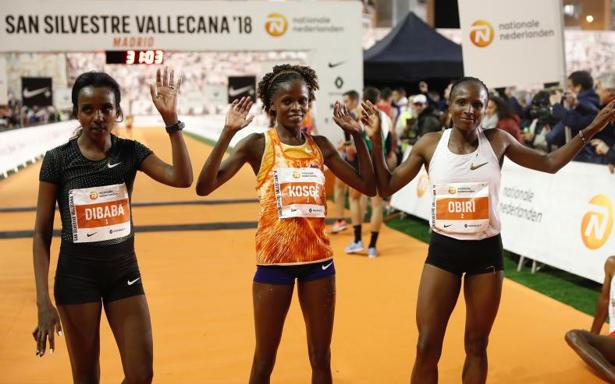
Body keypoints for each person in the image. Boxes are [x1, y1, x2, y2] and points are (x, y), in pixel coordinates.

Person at [361, 76, 615, 384]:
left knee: (476, 345)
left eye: (478, 104)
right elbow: (386, 185)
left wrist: (591, 129)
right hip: (443, 253)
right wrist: (374, 140)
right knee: (426, 345)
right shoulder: (429, 144)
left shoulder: (498, 140)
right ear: (450, 106)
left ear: (486, 108)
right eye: (462, 102)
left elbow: (549, 163)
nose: (470, 110)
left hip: (486, 255)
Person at [195, 64, 375, 383]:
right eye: (287, 101)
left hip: (317, 263)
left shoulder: (319, 145)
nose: (296, 107)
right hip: (274, 263)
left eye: (302, 101)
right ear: (272, 106)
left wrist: (358, 135)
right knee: (264, 359)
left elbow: (368, 186)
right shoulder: (257, 144)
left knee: (321, 357)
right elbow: (205, 186)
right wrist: (227, 133)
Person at [32, 68, 193, 383]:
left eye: (106, 108)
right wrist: (43, 301)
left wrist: (171, 121)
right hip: (76, 280)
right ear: (76, 112)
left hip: (124, 276)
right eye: (88, 109)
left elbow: (182, 178)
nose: (97, 116)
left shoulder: (129, 152)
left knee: (141, 375)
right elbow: (40, 234)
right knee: (87, 378)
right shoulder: (58, 160)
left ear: (117, 111)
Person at [345, 87, 394, 258]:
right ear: (379, 99)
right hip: (381, 163)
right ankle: (372, 246)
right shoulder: (386, 117)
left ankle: (358, 240)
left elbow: (357, 136)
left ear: (364, 99)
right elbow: (390, 144)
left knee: (354, 197)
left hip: (364, 163)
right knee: (376, 205)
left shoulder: (360, 112)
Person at [566, 256, 615, 383]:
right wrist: (593, 337)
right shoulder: (612, 264)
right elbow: (604, 301)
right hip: (613, 340)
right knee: (574, 336)